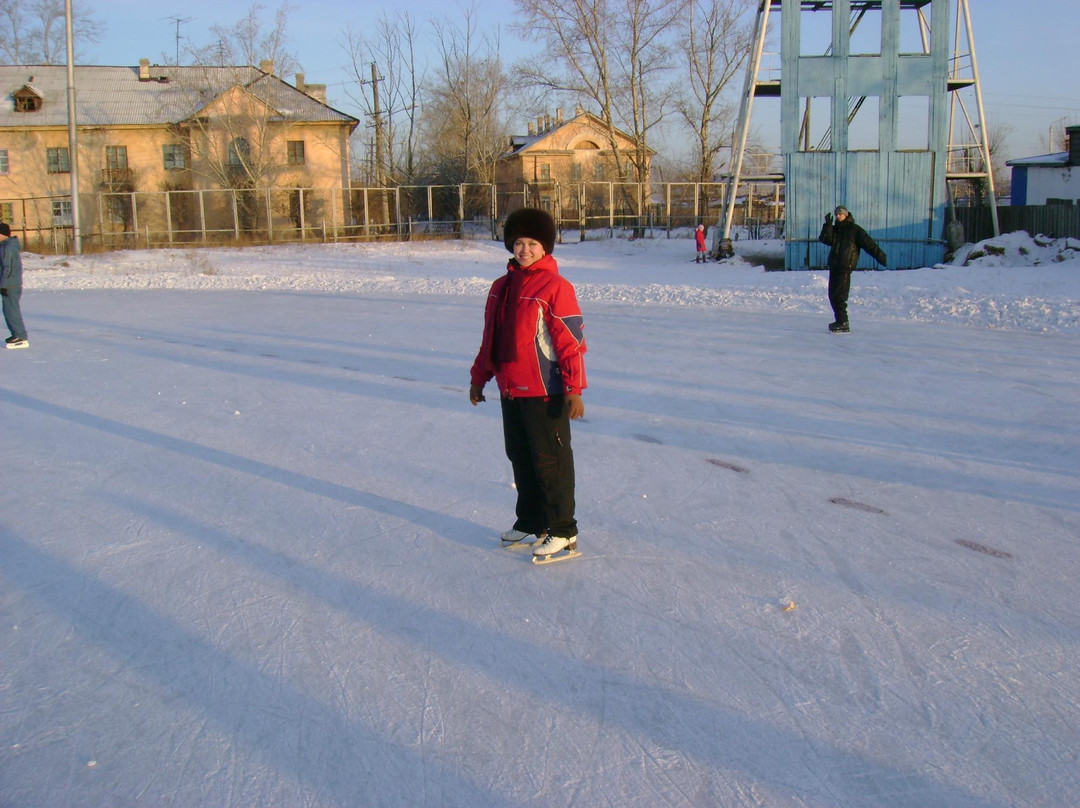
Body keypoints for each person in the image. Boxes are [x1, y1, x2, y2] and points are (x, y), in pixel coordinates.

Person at [469, 208, 587, 559]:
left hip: (544, 391)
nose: (524, 250)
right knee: (521, 459)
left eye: (532, 243)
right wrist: (479, 379)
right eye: (518, 243)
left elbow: (571, 342)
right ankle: (532, 522)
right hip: (510, 390)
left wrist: (573, 389)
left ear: (545, 247)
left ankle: (564, 530)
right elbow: (490, 338)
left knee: (551, 461)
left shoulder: (555, 287)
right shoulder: (500, 287)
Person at [818, 205, 887, 332]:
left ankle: (843, 321)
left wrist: (881, 257)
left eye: (840, 214)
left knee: (839, 296)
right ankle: (840, 320)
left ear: (846, 214)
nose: (838, 216)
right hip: (834, 266)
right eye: (837, 214)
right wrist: (827, 225)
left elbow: (869, 244)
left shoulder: (855, 230)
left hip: (845, 266)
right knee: (833, 295)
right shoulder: (835, 229)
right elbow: (825, 239)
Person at [0, 222, 28, 349]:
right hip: (11, 284)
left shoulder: (7, 247)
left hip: (10, 285)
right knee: (9, 310)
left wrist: (4, 285)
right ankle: (17, 334)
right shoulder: (7, 245)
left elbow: (8, 268)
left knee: (11, 311)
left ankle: (20, 336)